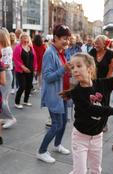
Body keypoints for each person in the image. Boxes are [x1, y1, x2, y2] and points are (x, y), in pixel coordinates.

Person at [37, 24, 72, 163]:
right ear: (56, 38)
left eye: (68, 39)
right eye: (64, 38)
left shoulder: (60, 52)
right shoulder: (49, 53)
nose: (66, 41)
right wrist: (64, 69)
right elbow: (47, 77)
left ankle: (57, 145)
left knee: (63, 123)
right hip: (54, 95)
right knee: (57, 124)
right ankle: (42, 151)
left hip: (63, 93)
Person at [0, 28, 17, 129]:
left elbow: (7, 65)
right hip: (1, 74)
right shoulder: (1, 48)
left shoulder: (7, 49)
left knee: (2, 99)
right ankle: (3, 117)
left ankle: (10, 118)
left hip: (6, 74)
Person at [13, 32, 37, 108]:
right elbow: (16, 59)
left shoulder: (31, 47)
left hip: (30, 70)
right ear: (21, 39)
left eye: (27, 37)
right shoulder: (18, 47)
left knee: (29, 86)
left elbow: (35, 59)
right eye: (24, 37)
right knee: (22, 86)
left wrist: (35, 69)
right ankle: (17, 102)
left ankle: (25, 101)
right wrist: (23, 67)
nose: (25, 39)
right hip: (21, 71)